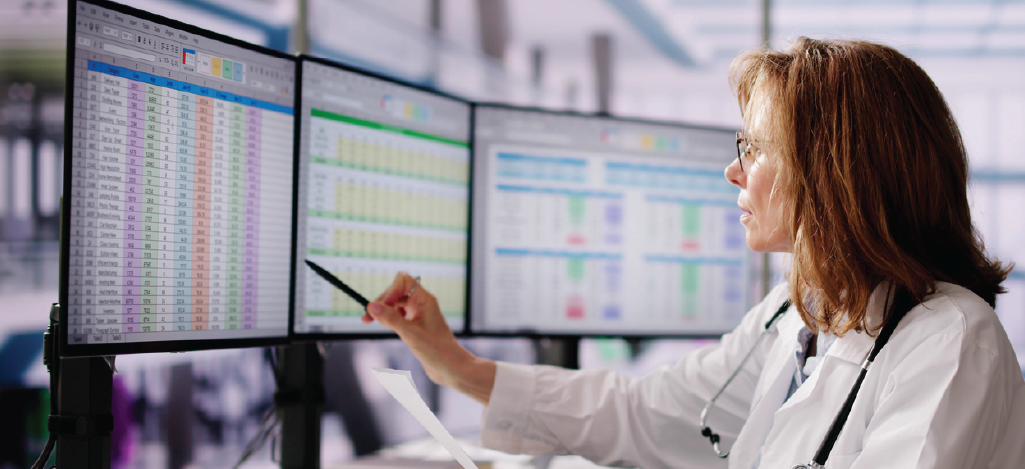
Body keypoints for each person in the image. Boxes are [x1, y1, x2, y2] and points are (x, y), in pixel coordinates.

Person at [361, 37, 1025, 468]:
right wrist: (455, 365)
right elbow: (646, 412)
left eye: (755, 149)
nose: (733, 172)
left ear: (832, 173)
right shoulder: (798, 315)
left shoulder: (949, 343)